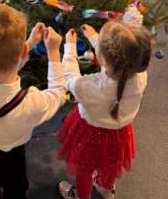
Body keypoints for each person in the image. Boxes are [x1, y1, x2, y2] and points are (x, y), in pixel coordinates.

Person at [0, 4, 67, 199]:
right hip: (7, 157)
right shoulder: (29, 104)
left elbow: (0, 69)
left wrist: (28, 43)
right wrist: (53, 52)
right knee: (16, 188)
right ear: (23, 52)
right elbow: (58, 93)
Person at [57, 21, 152, 199]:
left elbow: (70, 78)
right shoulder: (140, 76)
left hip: (90, 135)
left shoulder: (87, 86)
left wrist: (69, 48)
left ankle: (80, 196)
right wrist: (95, 39)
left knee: (84, 171)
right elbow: (115, 67)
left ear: (105, 61)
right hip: (119, 134)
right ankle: (107, 190)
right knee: (110, 164)